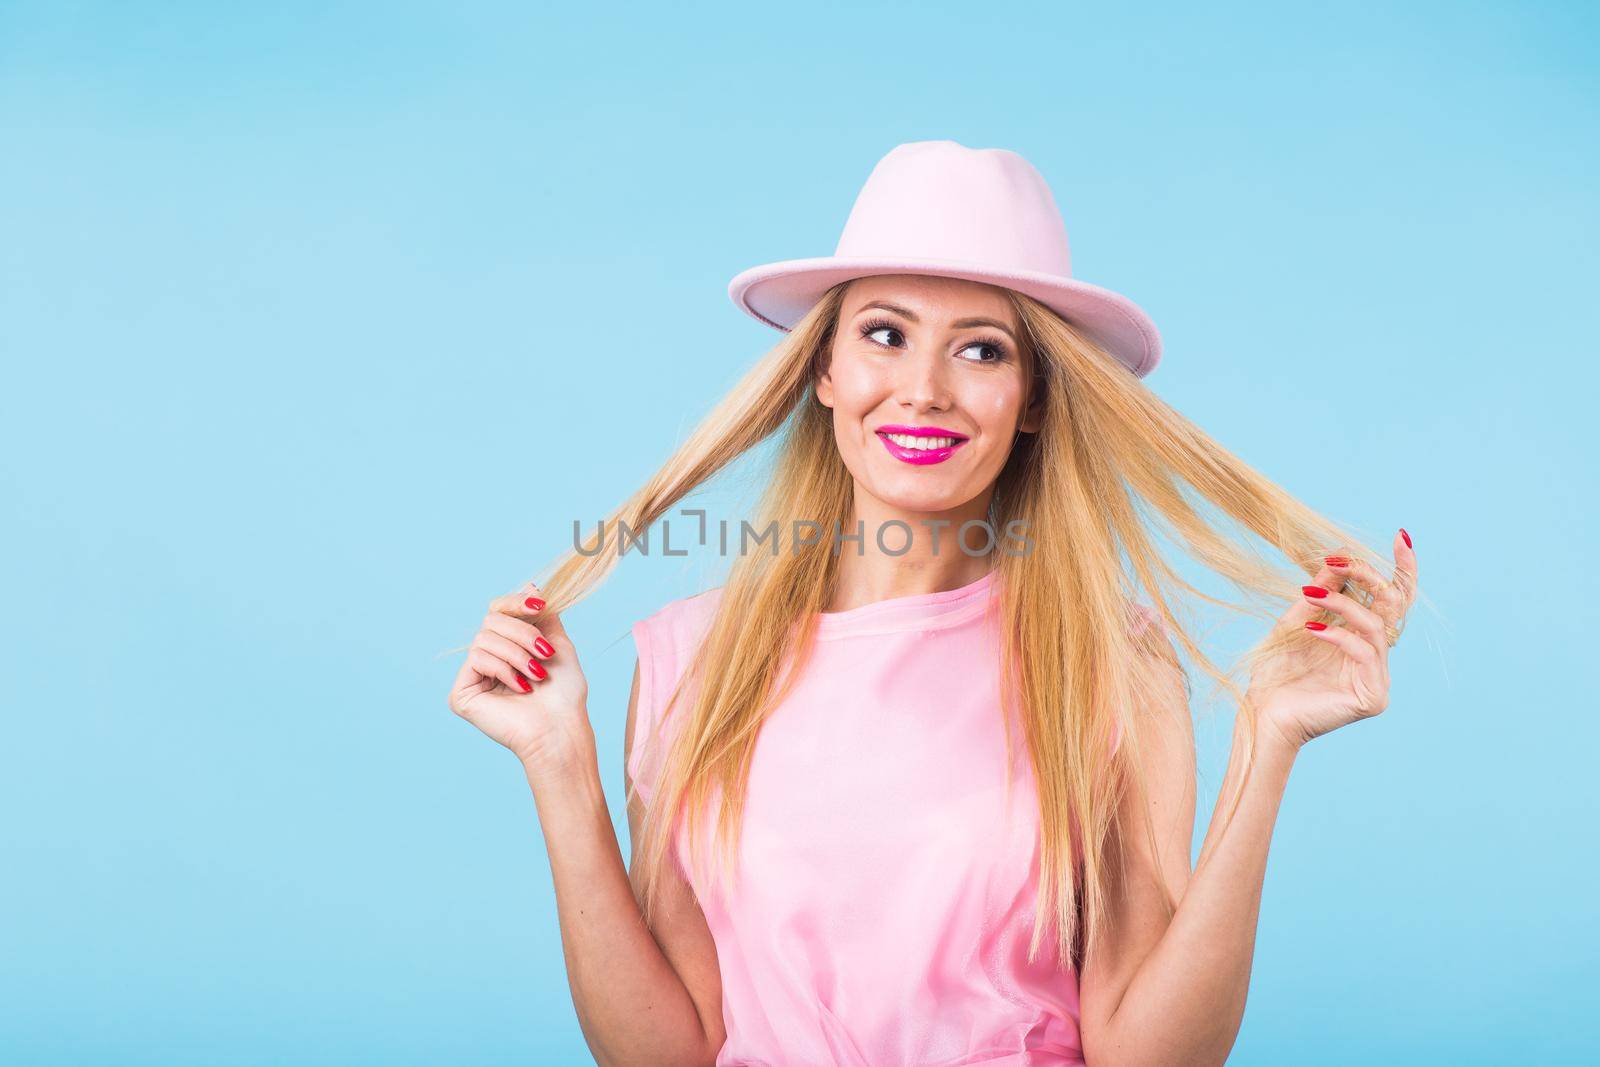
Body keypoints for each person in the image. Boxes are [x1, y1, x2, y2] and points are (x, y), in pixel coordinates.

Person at [445, 140, 1420, 1066]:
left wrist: (1267, 741)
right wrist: (557, 761)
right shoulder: (689, 658)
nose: (922, 389)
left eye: (982, 350)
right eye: (884, 333)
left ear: (1035, 394)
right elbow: (663, 1047)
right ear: (823, 368)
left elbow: (1148, 1049)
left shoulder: (1111, 659)